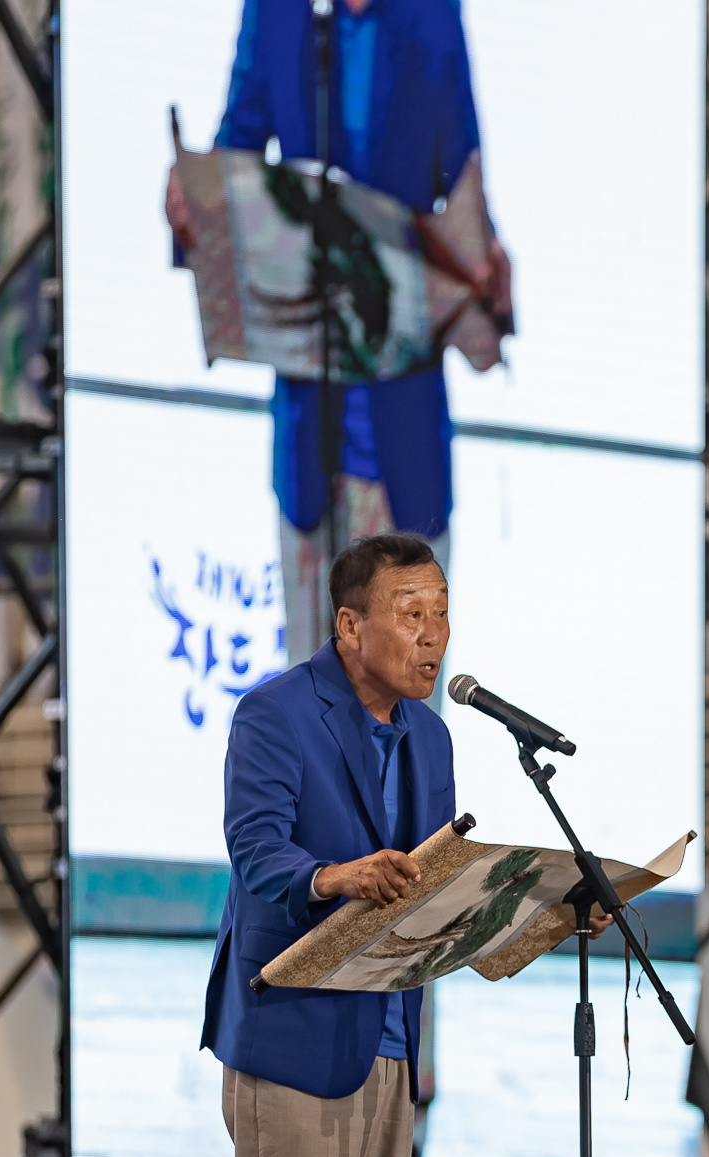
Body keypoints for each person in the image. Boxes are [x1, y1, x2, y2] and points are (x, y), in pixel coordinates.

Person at [199, 535, 605, 1157]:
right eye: (411, 612)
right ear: (350, 626)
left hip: (387, 1035)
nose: (434, 633)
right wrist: (337, 876)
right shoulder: (275, 714)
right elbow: (258, 855)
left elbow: (443, 899)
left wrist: (558, 914)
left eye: (442, 611)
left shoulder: (430, 736)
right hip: (292, 1036)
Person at [168, 0, 512, 668]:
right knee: (313, 705)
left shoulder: (431, 14)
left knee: (403, 721)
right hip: (309, 432)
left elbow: (464, 182)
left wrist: (484, 268)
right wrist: (192, 204)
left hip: (403, 431)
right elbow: (234, 158)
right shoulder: (277, 12)